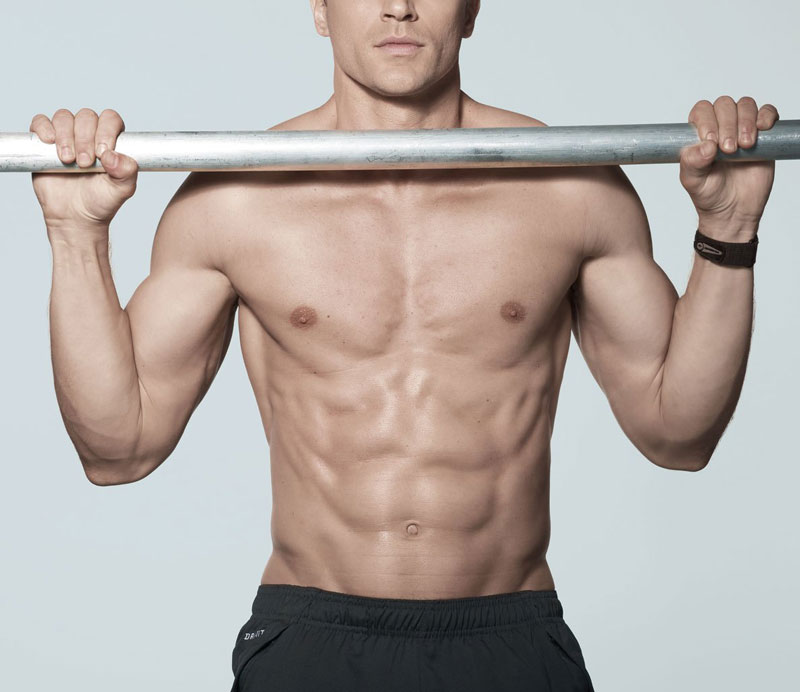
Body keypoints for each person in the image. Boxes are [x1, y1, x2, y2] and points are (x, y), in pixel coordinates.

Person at [28, 1, 779, 690]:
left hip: (508, 637)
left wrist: (729, 232)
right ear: (320, 11)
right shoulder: (233, 200)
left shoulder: (571, 185)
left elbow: (679, 435)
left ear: (473, 9)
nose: (399, 4)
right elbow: (117, 449)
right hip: (310, 635)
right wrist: (76, 234)